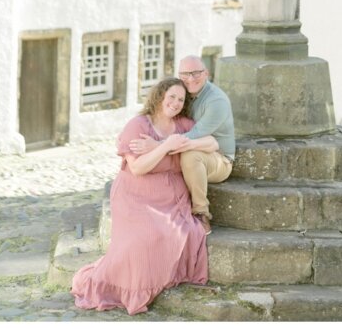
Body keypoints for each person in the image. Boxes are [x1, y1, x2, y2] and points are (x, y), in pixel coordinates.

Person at [71, 78, 215, 315]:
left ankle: (155, 279)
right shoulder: (138, 125)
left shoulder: (184, 125)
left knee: (179, 232)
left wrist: (177, 145)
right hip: (135, 195)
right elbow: (138, 168)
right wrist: (165, 145)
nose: (176, 103)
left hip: (171, 197)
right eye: (172, 97)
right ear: (159, 97)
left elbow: (211, 142)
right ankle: (122, 286)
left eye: (181, 99)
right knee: (143, 239)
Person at [129, 55, 235, 235]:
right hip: (188, 148)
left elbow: (193, 137)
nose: (191, 78)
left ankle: (201, 212)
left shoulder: (216, 102)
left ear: (206, 73)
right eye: (185, 74)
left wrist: (157, 145)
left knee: (190, 154)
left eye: (196, 73)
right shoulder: (183, 94)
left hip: (218, 158)